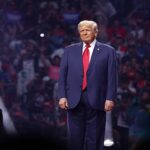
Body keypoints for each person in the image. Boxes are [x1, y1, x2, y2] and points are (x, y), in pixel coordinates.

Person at [58, 20, 118, 150]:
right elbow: (62, 75)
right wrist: (62, 96)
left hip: (98, 99)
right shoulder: (69, 50)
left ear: (96, 32)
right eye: (82, 31)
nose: (84, 33)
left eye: (88, 30)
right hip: (74, 99)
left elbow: (112, 77)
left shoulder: (108, 51)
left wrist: (110, 98)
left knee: (95, 139)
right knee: (75, 138)